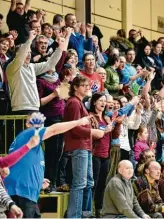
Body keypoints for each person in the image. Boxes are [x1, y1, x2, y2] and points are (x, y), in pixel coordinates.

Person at [3, 112, 91, 218]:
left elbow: (23, 165)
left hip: (26, 193)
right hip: (21, 192)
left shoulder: (34, 146)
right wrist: (79, 122)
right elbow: (54, 129)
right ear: (27, 124)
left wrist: (39, 180)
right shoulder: (29, 134)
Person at [63, 76, 105, 218]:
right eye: (84, 85)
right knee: (80, 184)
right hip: (78, 146)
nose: (88, 88)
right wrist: (93, 131)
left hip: (85, 147)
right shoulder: (74, 103)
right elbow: (74, 128)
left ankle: (85, 214)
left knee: (88, 183)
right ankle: (74, 216)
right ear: (75, 87)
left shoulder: (79, 103)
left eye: (88, 85)